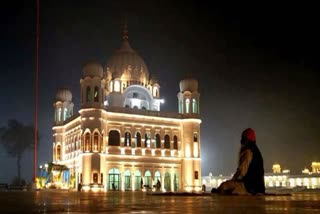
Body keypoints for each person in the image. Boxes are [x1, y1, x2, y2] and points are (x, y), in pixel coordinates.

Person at [212, 128, 265, 195]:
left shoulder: (248, 151)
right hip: (258, 187)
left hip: (249, 187)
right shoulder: (255, 151)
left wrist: (233, 180)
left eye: (243, 138)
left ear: (246, 139)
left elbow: (242, 171)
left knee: (224, 186)